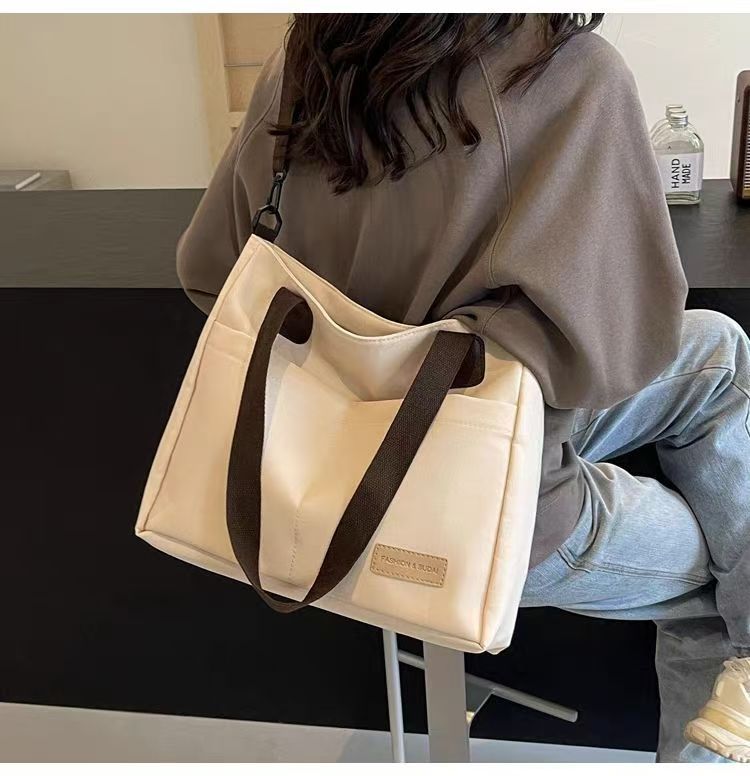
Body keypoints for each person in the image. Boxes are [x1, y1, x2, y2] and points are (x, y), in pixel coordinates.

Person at [176, 14, 750, 763]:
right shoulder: (568, 71)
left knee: (719, 349)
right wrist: (483, 334)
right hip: (483, 512)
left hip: (315, 475)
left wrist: (372, 344)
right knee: (734, 579)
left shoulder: (303, 63)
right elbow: (616, 353)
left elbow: (207, 270)